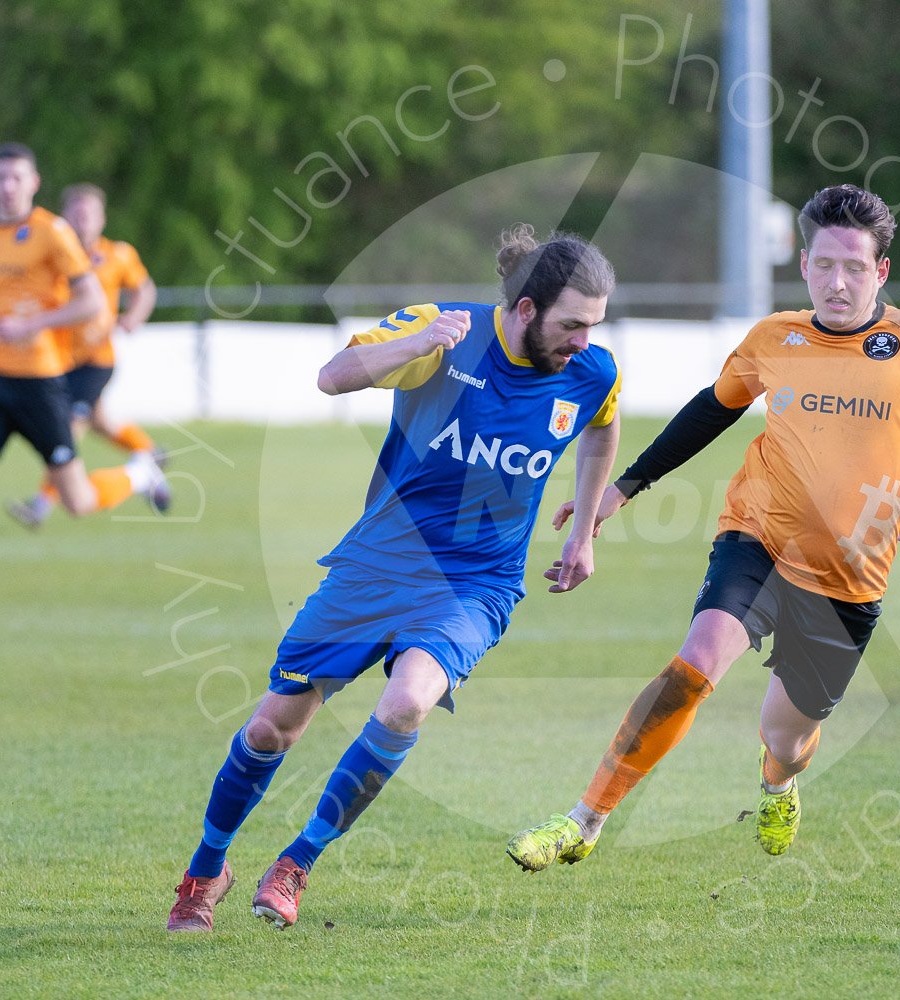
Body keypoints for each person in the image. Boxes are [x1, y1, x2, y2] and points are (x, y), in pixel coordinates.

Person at [507, 184, 900, 870]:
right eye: (826, 265)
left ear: (881, 272)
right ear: (803, 264)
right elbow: (709, 412)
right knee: (693, 665)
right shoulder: (775, 337)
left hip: (849, 575)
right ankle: (584, 820)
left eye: (856, 268)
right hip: (758, 538)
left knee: (786, 738)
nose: (839, 282)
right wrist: (624, 488)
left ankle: (778, 780)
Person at [166, 226, 621, 932]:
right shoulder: (446, 331)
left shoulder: (592, 372)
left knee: (407, 702)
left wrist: (584, 529)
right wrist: (418, 345)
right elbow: (333, 377)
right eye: (571, 325)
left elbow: (600, 428)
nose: (584, 342)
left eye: (594, 325)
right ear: (526, 310)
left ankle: (297, 862)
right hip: (380, 561)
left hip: (479, 582)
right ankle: (206, 869)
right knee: (271, 730)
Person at [0, 143, 170, 632]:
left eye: (16, 178)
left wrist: (34, 325)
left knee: (78, 501)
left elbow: (90, 302)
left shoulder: (52, 231)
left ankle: (140, 475)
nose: (7, 186)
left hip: (42, 383)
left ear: (34, 183)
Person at [7, 182, 165, 529]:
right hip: (61, 361)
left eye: (89, 212)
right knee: (99, 422)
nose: (83, 219)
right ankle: (150, 459)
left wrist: (134, 317)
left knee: (66, 430)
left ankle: (40, 505)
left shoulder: (118, 254)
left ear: (102, 218)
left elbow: (144, 288)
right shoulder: (56, 257)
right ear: (65, 217)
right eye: (76, 212)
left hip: (96, 360)